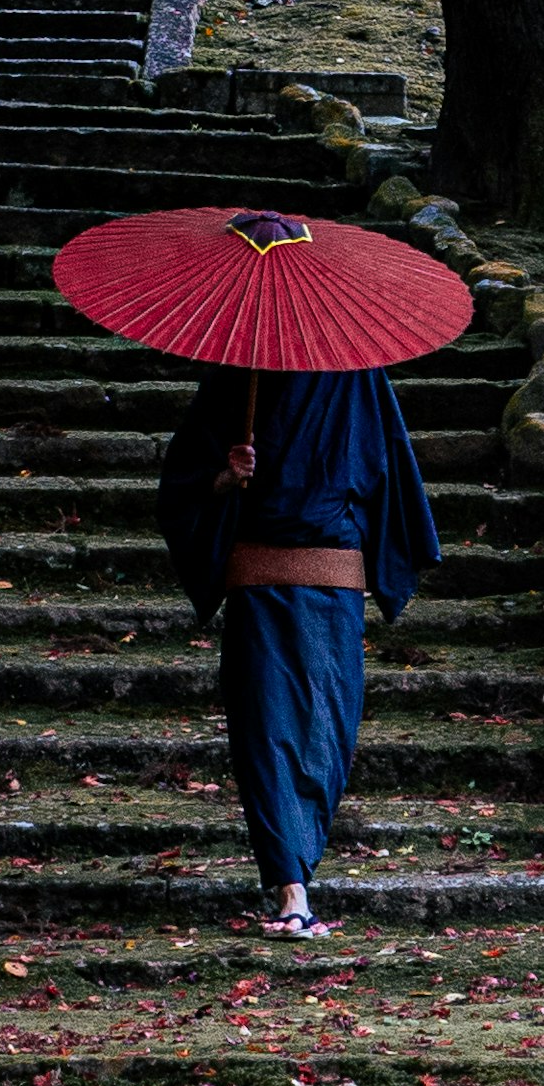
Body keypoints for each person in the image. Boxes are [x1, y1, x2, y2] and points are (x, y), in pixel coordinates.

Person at [156, 321, 443, 938]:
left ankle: (299, 867)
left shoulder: (359, 374)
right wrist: (225, 477)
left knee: (326, 728)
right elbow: (181, 483)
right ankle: (290, 885)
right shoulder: (239, 373)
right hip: (260, 577)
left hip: (331, 577)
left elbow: (385, 468)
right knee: (266, 729)